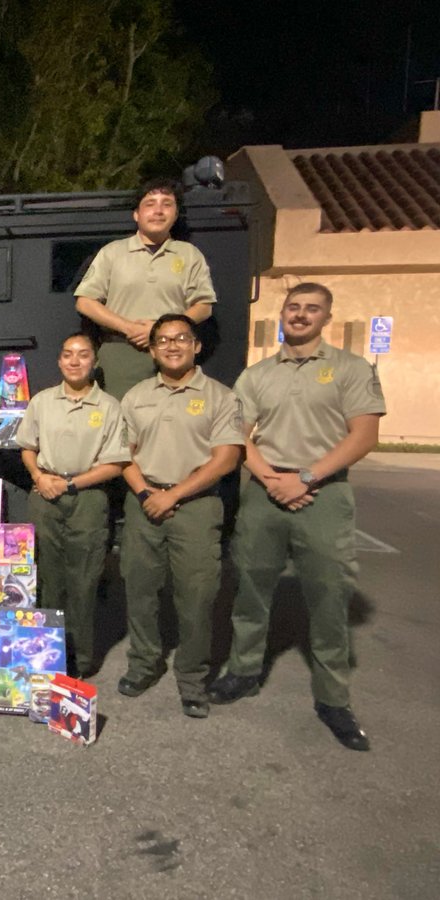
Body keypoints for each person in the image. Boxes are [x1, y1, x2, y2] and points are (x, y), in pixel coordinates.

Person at [208, 283, 385, 751]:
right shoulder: (258, 374)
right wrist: (270, 478)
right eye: (294, 307)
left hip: (323, 493)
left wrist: (305, 477)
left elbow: (363, 435)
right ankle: (244, 672)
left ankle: (333, 698)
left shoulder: (349, 369)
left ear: (327, 317)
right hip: (266, 492)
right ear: (282, 313)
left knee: (329, 597)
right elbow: (238, 434)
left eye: (312, 309)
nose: (301, 315)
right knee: (251, 589)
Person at [118, 314, 243, 718]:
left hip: (197, 505)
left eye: (181, 339)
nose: (172, 346)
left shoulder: (219, 397)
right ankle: (143, 665)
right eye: (163, 341)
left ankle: (192, 679)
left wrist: (174, 494)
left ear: (197, 346)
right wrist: (145, 492)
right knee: (140, 590)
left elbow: (226, 458)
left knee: (197, 597)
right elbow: (124, 454)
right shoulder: (136, 396)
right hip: (145, 500)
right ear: (152, 350)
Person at [16, 333, 130, 678]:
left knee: (83, 581)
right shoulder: (43, 401)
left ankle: (79, 662)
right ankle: (48, 656)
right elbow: (27, 446)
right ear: (59, 360)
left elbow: (116, 464)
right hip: (45, 493)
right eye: (68, 355)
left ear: (94, 361)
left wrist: (68, 483)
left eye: (83, 355)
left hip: (88, 496)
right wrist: (38, 476)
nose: (75, 361)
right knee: (47, 577)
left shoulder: (108, 406)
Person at [75, 178, 217, 400]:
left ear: (176, 214)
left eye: (167, 204)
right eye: (150, 203)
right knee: (121, 424)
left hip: (173, 352)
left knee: (172, 423)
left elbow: (204, 306)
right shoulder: (112, 252)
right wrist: (129, 328)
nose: (158, 211)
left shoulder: (189, 255)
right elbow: (85, 302)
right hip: (122, 352)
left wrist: (160, 330)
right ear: (136, 214)